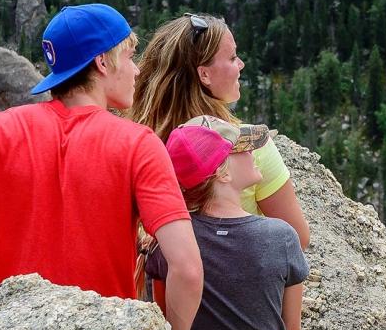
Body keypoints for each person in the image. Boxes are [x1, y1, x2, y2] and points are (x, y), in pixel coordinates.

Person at [0, 4, 204, 330]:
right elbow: (188, 268)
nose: (136, 70)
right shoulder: (138, 144)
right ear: (103, 62)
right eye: (130, 55)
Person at [130, 13, 311, 249]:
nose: (241, 64)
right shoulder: (248, 147)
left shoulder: (139, 145)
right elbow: (299, 238)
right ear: (204, 74)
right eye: (233, 57)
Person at [149, 121, 307, 330]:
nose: (252, 152)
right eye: (242, 148)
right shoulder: (281, 236)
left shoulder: (170, 240)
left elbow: (165, 320)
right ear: (222, 173)